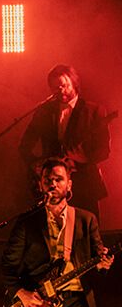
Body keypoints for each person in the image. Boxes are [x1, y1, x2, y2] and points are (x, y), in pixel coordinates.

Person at [1, 158, 113, 307]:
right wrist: (22, 294)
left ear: (69, 185)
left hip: (77, 304)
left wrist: (103, 265)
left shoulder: (86, 220)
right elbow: (7, 266)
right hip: (40, 306)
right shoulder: (27, 222)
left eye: (58, 179)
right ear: (40, 185)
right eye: (47, 180)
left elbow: (99, 260)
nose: (52, 184)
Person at [18, 64, 112, 220]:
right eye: (55, 87)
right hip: (53, 185)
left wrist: (84, 159)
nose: (60, 90)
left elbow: (104, 150)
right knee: (55, 233)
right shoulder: (44, 111)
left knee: (87, 231)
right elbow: (25, 145)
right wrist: (37, 165)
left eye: (64, 85)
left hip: (84, 183)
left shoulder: (94, 110)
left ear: (74, 83)